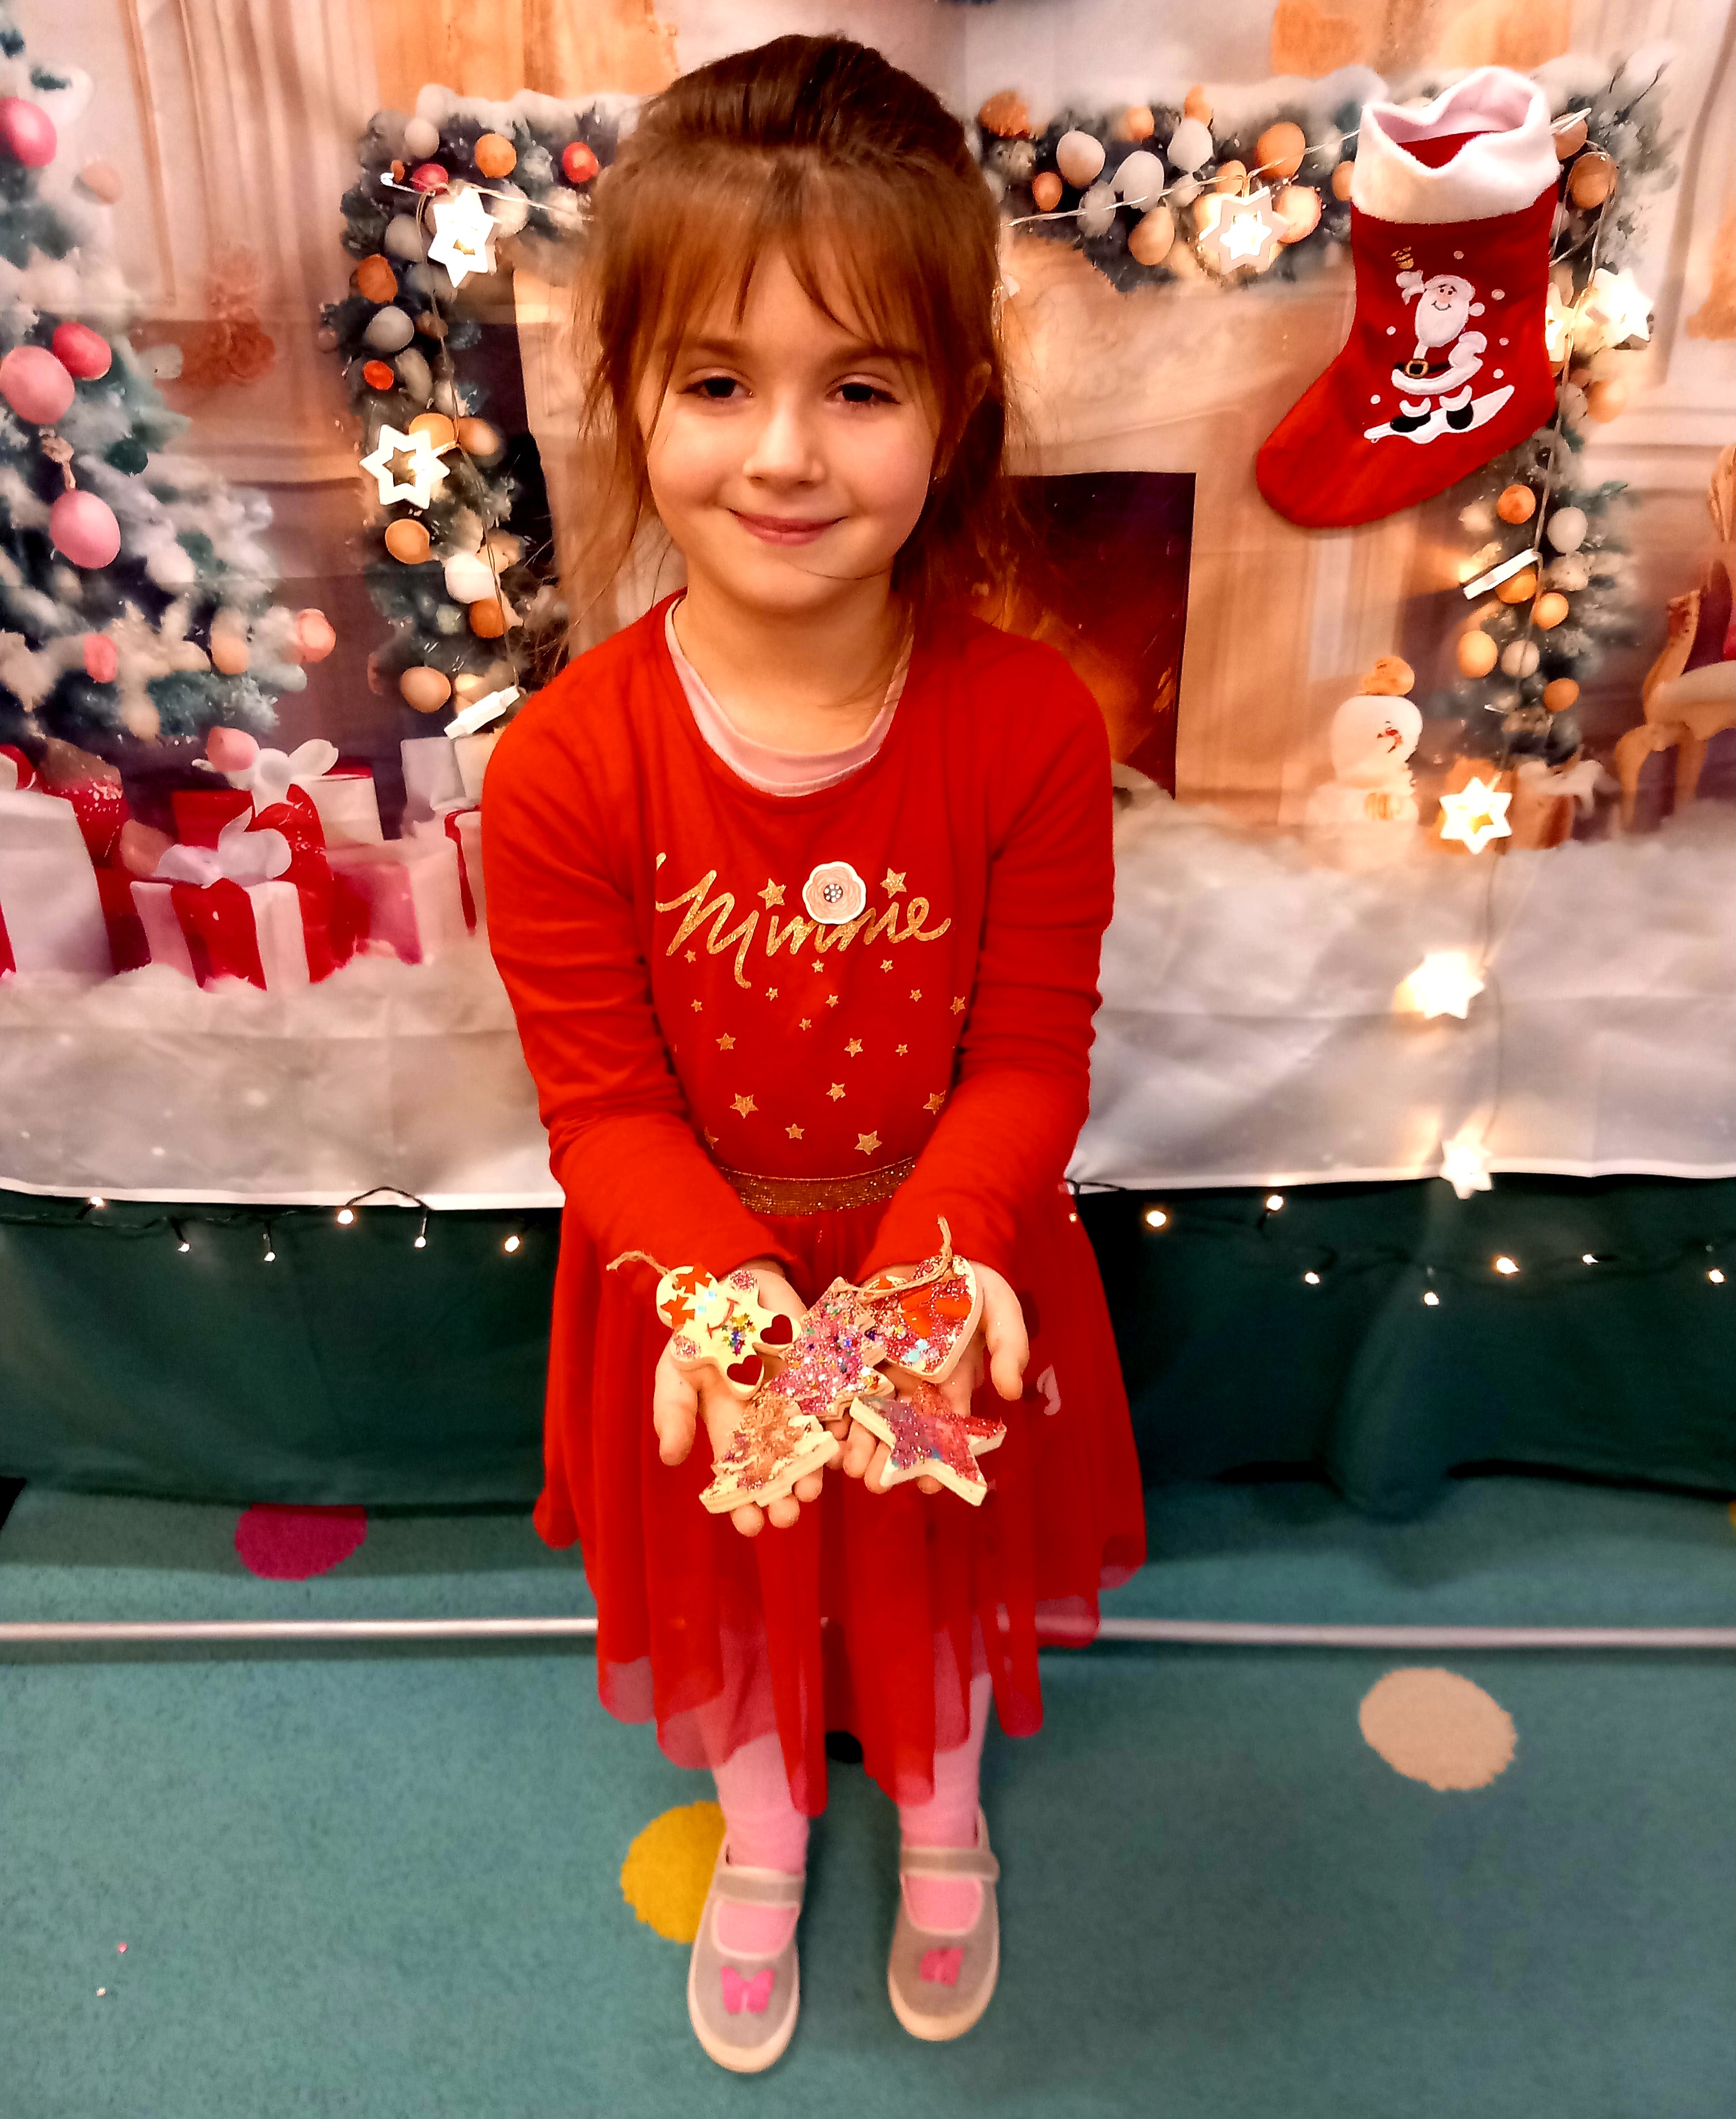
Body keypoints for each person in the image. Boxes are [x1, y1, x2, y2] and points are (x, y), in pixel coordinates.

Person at [482, 33, 1145, 2074]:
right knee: (734, 1583)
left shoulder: (1029, 728)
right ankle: (761, 1821)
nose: (782, 454)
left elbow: (1030, 1054)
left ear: (957, 410)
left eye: (857, 387)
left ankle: (939, 1801)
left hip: (953, 1265)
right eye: (716, 383)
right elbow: (600, 1107)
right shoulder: (562, 766)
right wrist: (729, 1298)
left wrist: (937, 1269)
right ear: (628, 397)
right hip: (691, 1289)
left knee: (935, 1572)